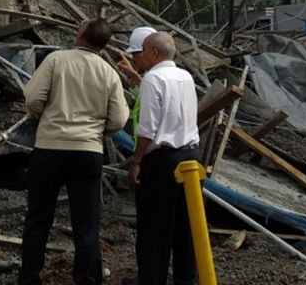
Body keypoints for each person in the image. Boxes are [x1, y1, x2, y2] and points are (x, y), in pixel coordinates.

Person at [19, 18, 130, 285]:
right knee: (87, 223)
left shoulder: (56, 60)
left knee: (38, 217)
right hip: (88, 151)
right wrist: (97, 129)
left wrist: (41, 114)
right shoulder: (108, 72)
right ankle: (86, 279)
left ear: (80, 34)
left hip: (50, 147)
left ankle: (30, 278)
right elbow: (118, 120)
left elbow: (33, 98)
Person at [126, 32, 200, 285]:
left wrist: (136, 161)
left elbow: (147, 128)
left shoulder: (153, 79)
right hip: (190, 156)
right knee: (186, 227)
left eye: (142, 51)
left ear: (154, 53)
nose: (139, 56)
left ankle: (152, 279)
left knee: (154, 228)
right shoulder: (185, 77)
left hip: (162, 160)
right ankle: (186, 279)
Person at [115, 26, 158, 137]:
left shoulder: (156, 76)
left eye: (135, 54)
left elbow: (153, 97)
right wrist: (134, 76)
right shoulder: (152, 73)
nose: (133, 58)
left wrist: (134, 75)